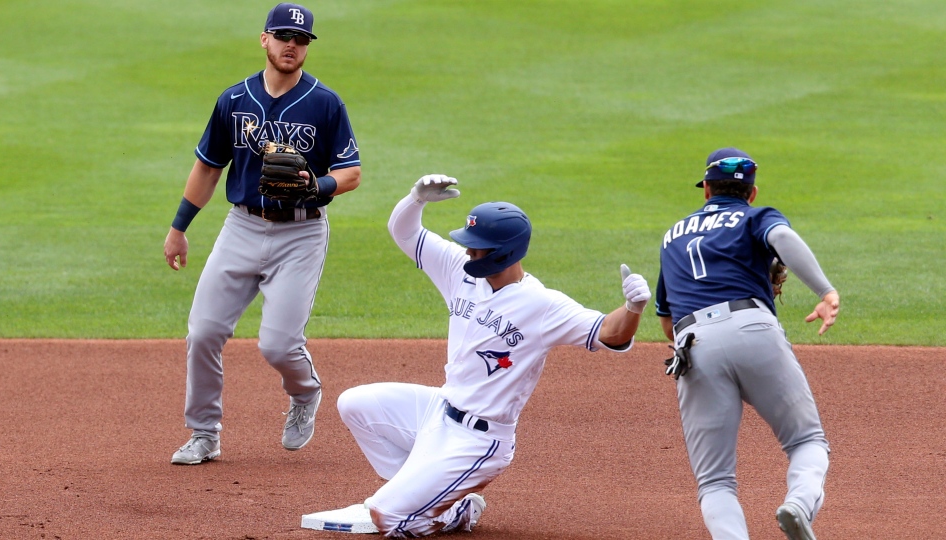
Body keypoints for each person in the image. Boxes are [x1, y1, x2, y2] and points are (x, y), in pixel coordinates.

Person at [333, 174, 652, 537]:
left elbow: (609, 333)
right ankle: (433, 491)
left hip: (479, 440)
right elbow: (405, 234)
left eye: (478, 247)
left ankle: (451, 512)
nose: (468, 251)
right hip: (438, 412)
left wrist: (632, 307)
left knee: (387, 517)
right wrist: (414, 199)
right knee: (354, 403)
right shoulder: (459, 270)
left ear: (505, 251)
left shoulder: (541, 305)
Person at [163, 2, 361, 465]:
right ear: (264, 39)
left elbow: (350, 173)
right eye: (283, 36)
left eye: (301, 40)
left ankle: (304, 394)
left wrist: (319, 184)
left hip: (301, 234)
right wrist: (178, 228)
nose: (292, 45)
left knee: (277, 344)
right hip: (242, 226)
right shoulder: (233, 100)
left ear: (307, 47)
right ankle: (204, 433)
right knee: (204, 332)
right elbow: (207, 169)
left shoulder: (325, 103)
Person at [654, 147, 840, 540]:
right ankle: (799, 505)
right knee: (806, 440)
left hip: (693, 344)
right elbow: (783, 238)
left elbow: (667, 323)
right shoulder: (757, 216)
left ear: (706, 189)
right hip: (754, 328)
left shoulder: (672, 235)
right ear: (751, 193)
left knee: (715, 481)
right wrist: (824, 291)